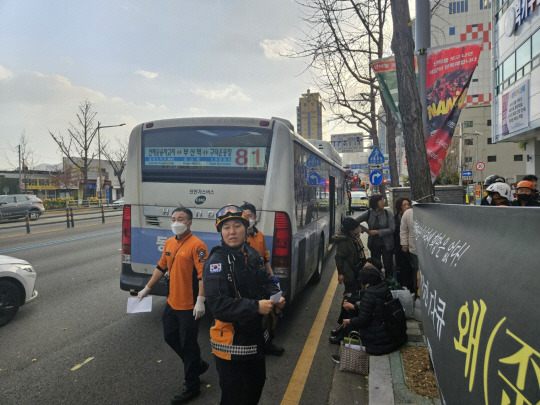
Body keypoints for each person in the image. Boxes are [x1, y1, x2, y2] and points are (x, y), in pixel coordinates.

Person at [203, 205, 286, 405]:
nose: (232, 232)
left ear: (246, 228)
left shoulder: (252, 254)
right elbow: (218, 305)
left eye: (237, 226)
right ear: (220, 232)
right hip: (231, 345)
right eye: (226, 228)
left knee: (255, 386)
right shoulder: (216, 262)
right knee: (233, 396)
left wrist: (276, 295)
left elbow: (266, 280)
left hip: (256, 338)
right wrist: (255, 307)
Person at [137, 207, 209, 404]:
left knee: (189, 343)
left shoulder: (198, 245)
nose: (176, 222)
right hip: (172, 302)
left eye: (181, 219)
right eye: (174, 218)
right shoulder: (169, 242)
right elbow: (161, 267)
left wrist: (200, 301)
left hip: (189, 305)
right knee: (170, 336)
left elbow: (203, 276)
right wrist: (147, 288)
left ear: (190, 223)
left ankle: (191, 385)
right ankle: (197, 364)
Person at [240, 202, 284, 356]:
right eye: (244, 216)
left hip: (263, 281)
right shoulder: (240, 238)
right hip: (248, 284)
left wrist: (272, 276)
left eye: (250, 216)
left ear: (255, 217)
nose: (248, 219)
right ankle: (253, 346)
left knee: (271, 312)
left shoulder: (259, 235)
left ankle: (268, 342)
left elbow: (265, 258)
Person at [341, 266, 407, 355]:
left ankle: (346, 354)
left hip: (378, 342)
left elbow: (362, 321)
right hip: (393, 335)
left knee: (349, 327)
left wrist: (349, 321)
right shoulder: (384, 288)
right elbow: (376, 306)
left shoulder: (368, 295)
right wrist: (355, 306)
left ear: (366, 283)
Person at [356, 194, 395, 279]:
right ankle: (377, 284)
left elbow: (392, 229)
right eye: (381, 201)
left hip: (387, 244)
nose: (383, 202)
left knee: (388, 266)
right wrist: (366, 230)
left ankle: (389, 284)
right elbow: (355, 222)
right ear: (375, 203)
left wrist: (377, 232)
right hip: (374, 244)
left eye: (383, 201)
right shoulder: (369, 213)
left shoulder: (387, 213)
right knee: (375, 266)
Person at [332, 217, 367, 296]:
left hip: (357, 269)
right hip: (350, 273)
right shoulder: (343, 241)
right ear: (351, 229)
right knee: (351, 293)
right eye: (357, 227)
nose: (359, 228)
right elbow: (339, 258)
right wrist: (340, 273)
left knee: (358, 291)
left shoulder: (354, 237)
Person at [393, 197, 413, 290]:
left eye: (408, 204)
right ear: (399, 207)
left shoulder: (412, 216)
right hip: (400, 247)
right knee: (402, 267)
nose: (407, 207)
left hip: (411, 246)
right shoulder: (396, 218)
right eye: (404, 205)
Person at [400, 205, 418, 295]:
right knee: (416, 270)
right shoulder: (408, 213)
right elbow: (403, 230)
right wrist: (404, 244)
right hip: (414, 248)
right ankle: (417, 290)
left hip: (428, 250)